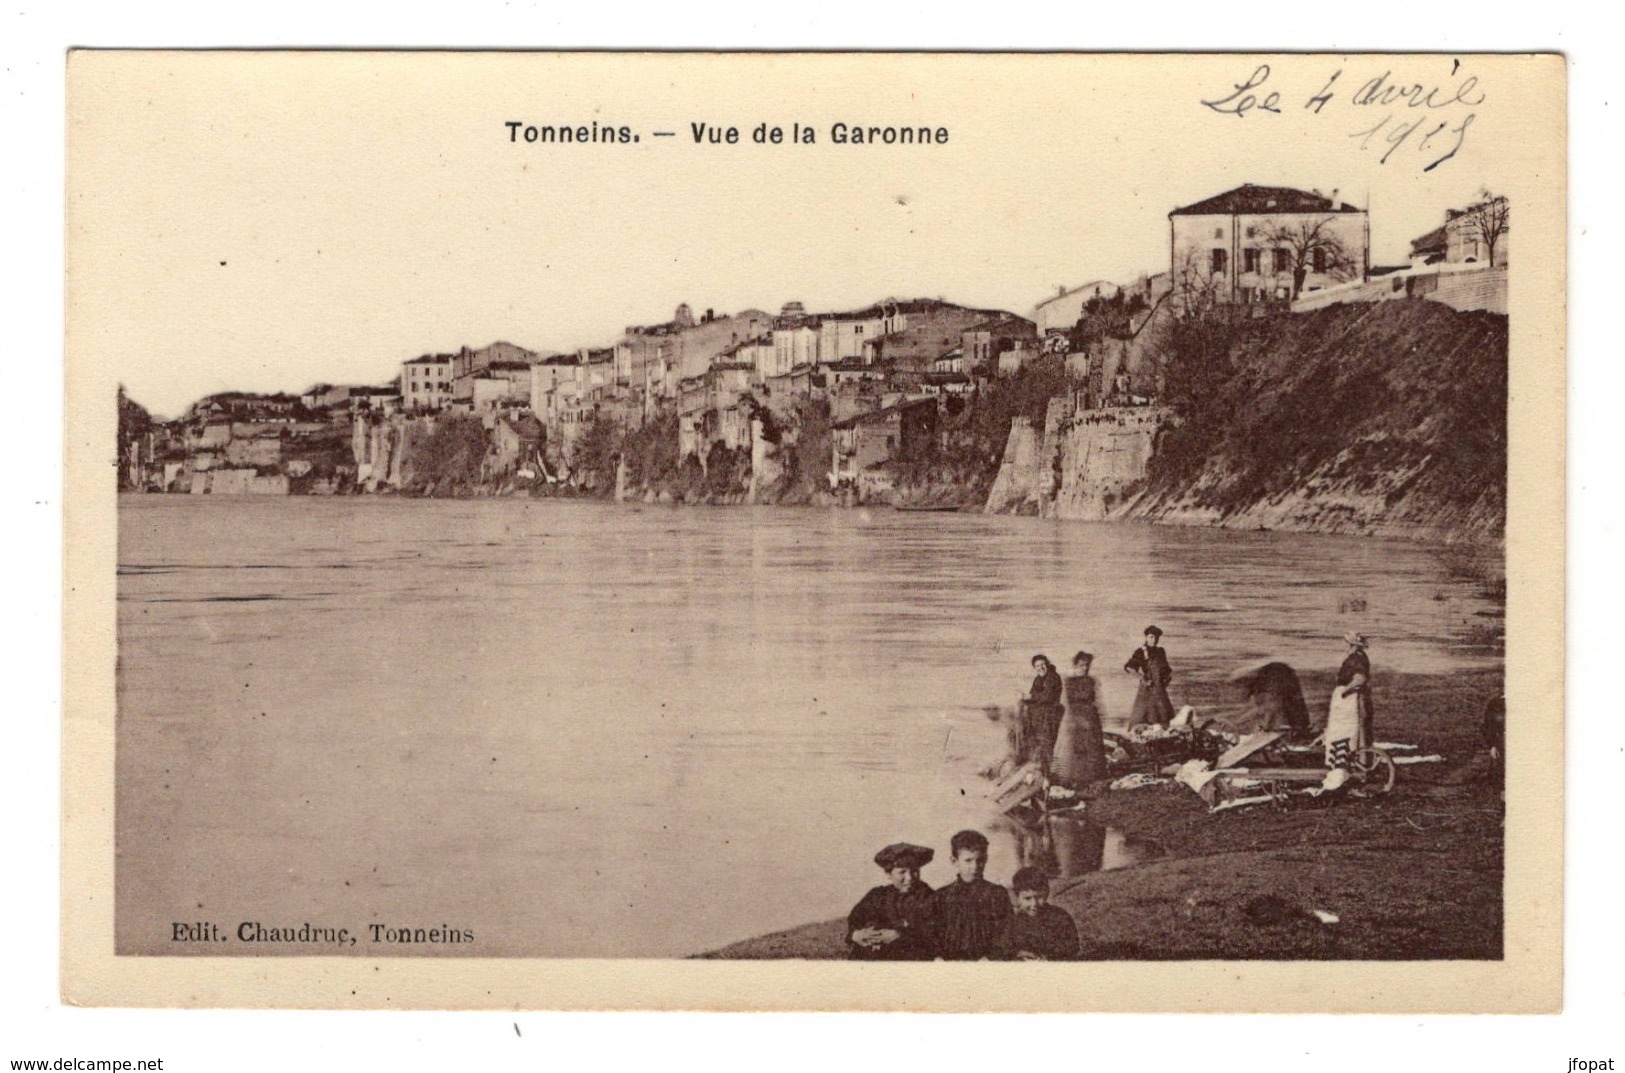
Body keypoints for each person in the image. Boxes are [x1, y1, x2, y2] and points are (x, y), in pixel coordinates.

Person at [847, 843, 939, 960]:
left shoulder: (930, 898)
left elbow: (935, 934)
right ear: (888, 874)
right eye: (902, 872)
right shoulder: (877, 896)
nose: (909, 877)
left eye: (914, 871)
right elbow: (855, 919)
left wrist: (900, 935)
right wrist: (856, 935)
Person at [933, 830, 1011, 960]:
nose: (975, 867)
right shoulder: (941, 896)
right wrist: (939, 956)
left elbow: (1006, 934)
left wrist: (991, 957)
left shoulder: (997, 894)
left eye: (979, 860)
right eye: (968, 860)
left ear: (985, 859)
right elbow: (934, 936)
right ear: (954, 861)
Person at [995, 867, 1080, 961]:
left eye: (1039, 897)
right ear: (1018, 898)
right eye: (1027, 898)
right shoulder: (1013, 922)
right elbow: (1002, 950)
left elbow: (1072, 949)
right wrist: (1018, 954)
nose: (1034, 904)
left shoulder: (1060, 918)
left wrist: (1050, 958)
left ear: (1046, 893)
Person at [1052, 651, 1109, 787]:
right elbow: (1067, 702)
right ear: (1076, 665)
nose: (1085, 668)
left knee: (1094, 746)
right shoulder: (1069, 681)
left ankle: (1094, 775)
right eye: (1082, 665)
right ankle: (1077, 778)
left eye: (1087, 665)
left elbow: (1096, 699)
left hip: (1091, 716)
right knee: (1076, 747)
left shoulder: (1091, 680)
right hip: (1076, 717)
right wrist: (1074, 720)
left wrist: (1100, 714)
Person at [1325, 632, 1374, 769]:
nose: (1345, 646)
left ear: (1352, 645)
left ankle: (1348, 760)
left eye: (1346, 643)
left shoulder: (1355, 659)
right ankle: (1358, 760)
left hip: (1350, 698)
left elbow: (1360, 678)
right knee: (1356, 730)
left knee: (1346, 729)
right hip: (1352, 697)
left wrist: (1345, 690)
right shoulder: (1359, 657)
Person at [1124, 626, 1175, 728]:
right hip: (1147, 689)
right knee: (1142, 715)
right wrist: (1143, 678)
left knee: (1164, 714)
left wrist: (1166, 681)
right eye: (1151, 637)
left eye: (1156, 637)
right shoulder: (1141, 651)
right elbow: (1129, 668)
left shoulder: (1160, 651)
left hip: (1159, 689)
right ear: (1146, 637)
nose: (1154, 640)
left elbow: (1167, 670)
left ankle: (1163, 736)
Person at [1022, 654, 1065, 774]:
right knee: (1037, 740)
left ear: (1047, 664)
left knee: (1047, 742)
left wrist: (1032, 697)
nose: (1040, 668)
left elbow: (1048, 696)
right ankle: (1042, 766)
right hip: (1041, 715)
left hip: (1051, 714)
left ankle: (1049, 770)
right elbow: (1033, 694)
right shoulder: (1038, 679)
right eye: (1037, 666)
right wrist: (1026, 698)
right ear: (1034, 668)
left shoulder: (1053, 677)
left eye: (1043, 665)